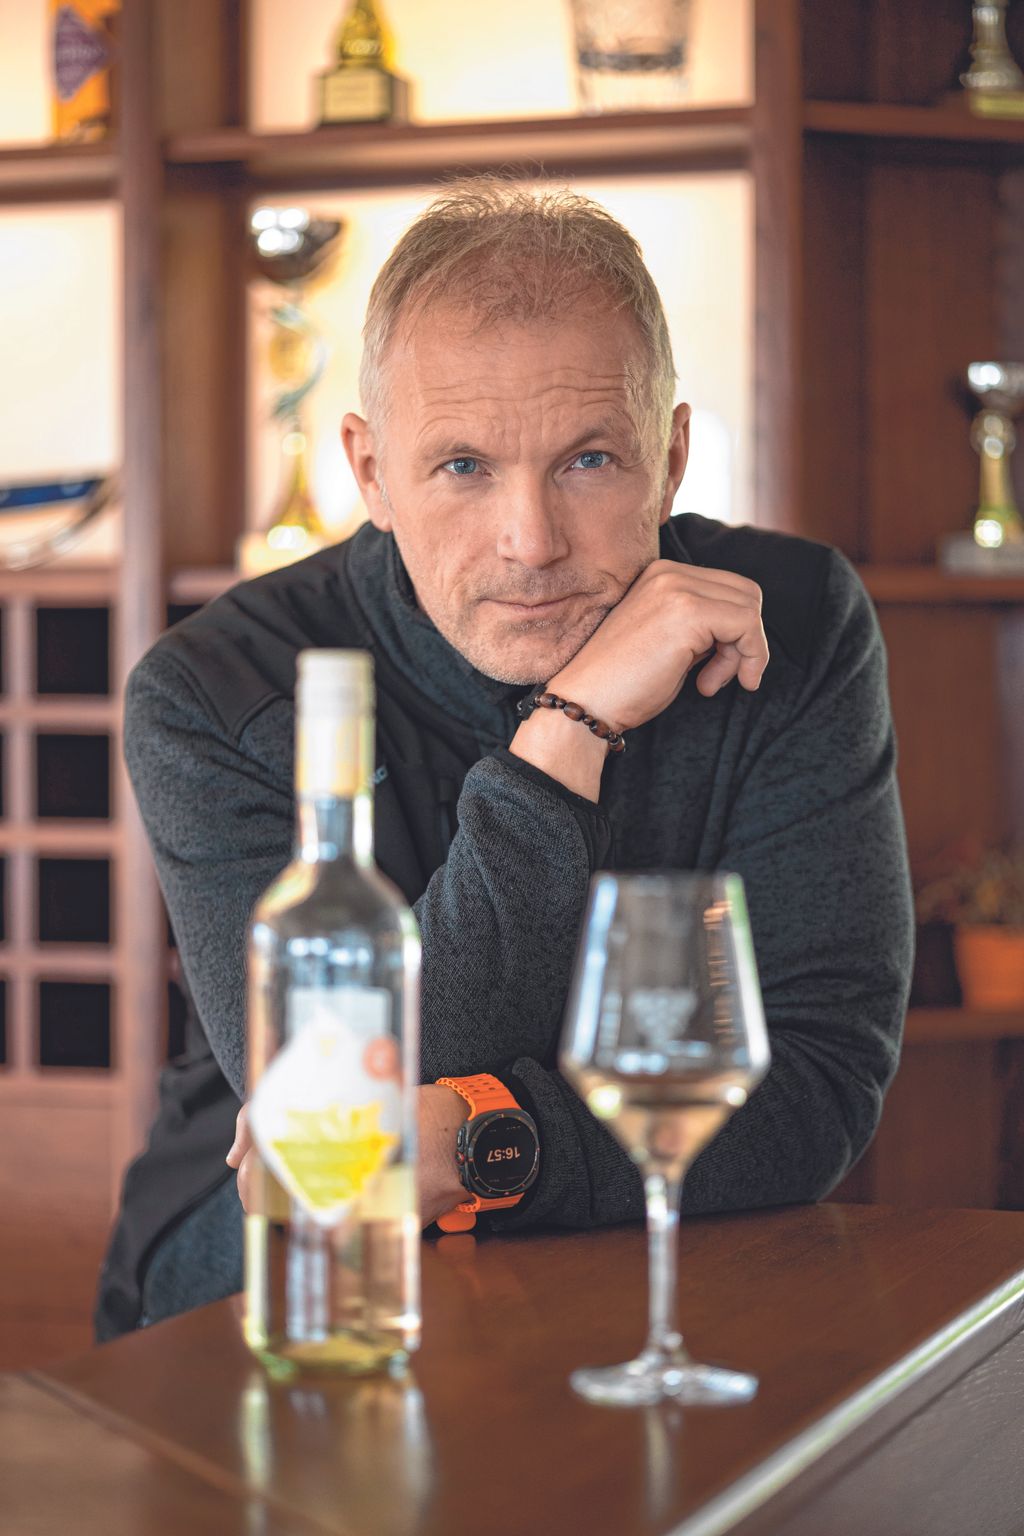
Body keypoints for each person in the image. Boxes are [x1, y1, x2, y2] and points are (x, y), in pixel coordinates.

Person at [94, 178, 913, 1340]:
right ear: (370, 474)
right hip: (265, 1272)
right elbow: (337, 1147)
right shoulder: (216, 690)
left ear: (672, 456)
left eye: (589, 460)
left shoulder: (789, 618)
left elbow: (821, 1081)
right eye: (463, 467)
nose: (530, 544)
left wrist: (483, 1142)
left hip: (656, 1277)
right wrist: (568, 729)